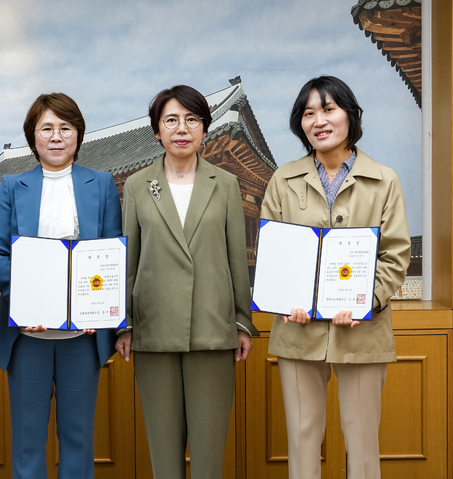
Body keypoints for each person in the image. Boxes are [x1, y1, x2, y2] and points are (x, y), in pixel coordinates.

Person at [260, 75, 411, 479]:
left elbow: (395, 255)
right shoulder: (283, 179)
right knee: (302, 436)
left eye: (328, 109)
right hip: (297, 327)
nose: (319, 121)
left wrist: (365, 302)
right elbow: (273, 252)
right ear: (300, 123)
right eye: (309, 113)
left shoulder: (384, 179)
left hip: (361, 329)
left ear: (349, 115)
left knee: (361, 441)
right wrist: (287, 297)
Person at [115, 85, 258, 479]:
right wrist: (125, 323)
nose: (182, 128)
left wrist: (242, 322)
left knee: (209, 456)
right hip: (153, 330)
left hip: (213, 329)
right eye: (171, 120)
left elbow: (236, 260)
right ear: (157, 131)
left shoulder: (225, 184)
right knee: (163, 454)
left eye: (192, 119)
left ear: (204, 129)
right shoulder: (138, 185)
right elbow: (130, 261)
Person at [0, 92, 121, 479]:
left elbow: (110, 254)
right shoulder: (12, 186)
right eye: (46, 128)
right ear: (33, 137)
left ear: (78, 135)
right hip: (27, 336)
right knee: (28, 441)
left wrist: (97, 308)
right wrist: (29, 302)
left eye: (66, 127)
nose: (56, 136)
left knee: (78, 442)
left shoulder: (101, 184)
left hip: (82, 337)